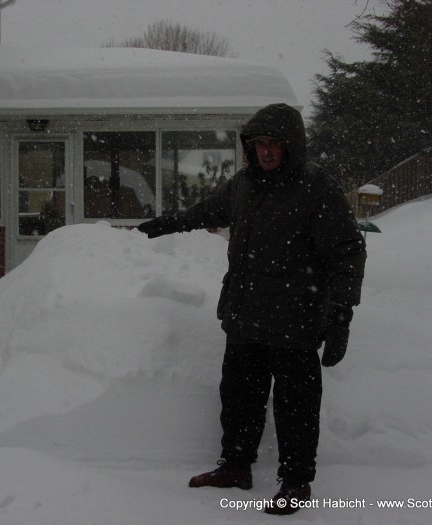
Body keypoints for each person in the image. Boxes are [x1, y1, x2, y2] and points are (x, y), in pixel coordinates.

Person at [136, 103, 366, 515]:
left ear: (290, 145)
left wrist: (342, 311)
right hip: (245, 317)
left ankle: (295, 482)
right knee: (239, 397)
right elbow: (208, 212)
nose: (266, 152)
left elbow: (347, 250)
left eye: (274, 144)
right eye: (259, 144)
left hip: (295, 321)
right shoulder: (244, 184)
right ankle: (236, 466)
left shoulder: (315, 188)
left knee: (296, 406)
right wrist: (171, 223)